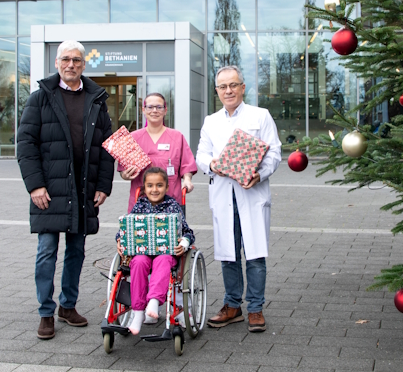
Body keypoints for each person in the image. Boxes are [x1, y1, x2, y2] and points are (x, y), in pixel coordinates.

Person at [17, 40, 115, 340]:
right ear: (57, 63)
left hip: (84, 188)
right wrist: (35, 186)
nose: (71, 64)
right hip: (49, 189)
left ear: (84, 64)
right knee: (47, 251)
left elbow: (107, 146)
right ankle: (46, 312)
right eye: (65, 59)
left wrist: (103, 186)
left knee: (76, 251)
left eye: (76, 60)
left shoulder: (96, 99)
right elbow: (26, 145)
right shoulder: (40, 98)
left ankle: (68, 306)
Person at [196, 65, 281, 333]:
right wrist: (213, 164)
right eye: (223, 86)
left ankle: (255, 308)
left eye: (233, 85)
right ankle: (232, 305)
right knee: (228, 254)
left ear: (243, 88)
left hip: (251, 193)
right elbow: (201, 155)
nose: (229, 90)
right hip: (223, 194)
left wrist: (260, 175)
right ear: (217, 91)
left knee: (255, 254)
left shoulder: (260, 115)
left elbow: (274, 153)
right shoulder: (211, 121)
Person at [114, 167, 194, 335]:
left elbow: (188, 232)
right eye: (150, 186)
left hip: (166, 254)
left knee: (163, 260)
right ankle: (138, 312)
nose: (154, 189)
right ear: (144, 188)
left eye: (159, 185)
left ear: (166, 187)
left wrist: (184, 242)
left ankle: (154, 301)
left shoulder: (172, 206)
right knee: (138, 262)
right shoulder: (140, 205)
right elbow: (127, 227)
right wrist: (120, 240)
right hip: (142, 253)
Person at [119, 92, 196, 213]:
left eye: (159, 107)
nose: (154, 110)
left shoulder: (177, 137)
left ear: (165, 110)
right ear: (143, 110)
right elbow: (123, 170)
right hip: (141, 202)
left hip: (171, 201)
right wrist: (125, 175)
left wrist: (187, 179)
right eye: (150, 107)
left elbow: (187, 165)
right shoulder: (133, 138)